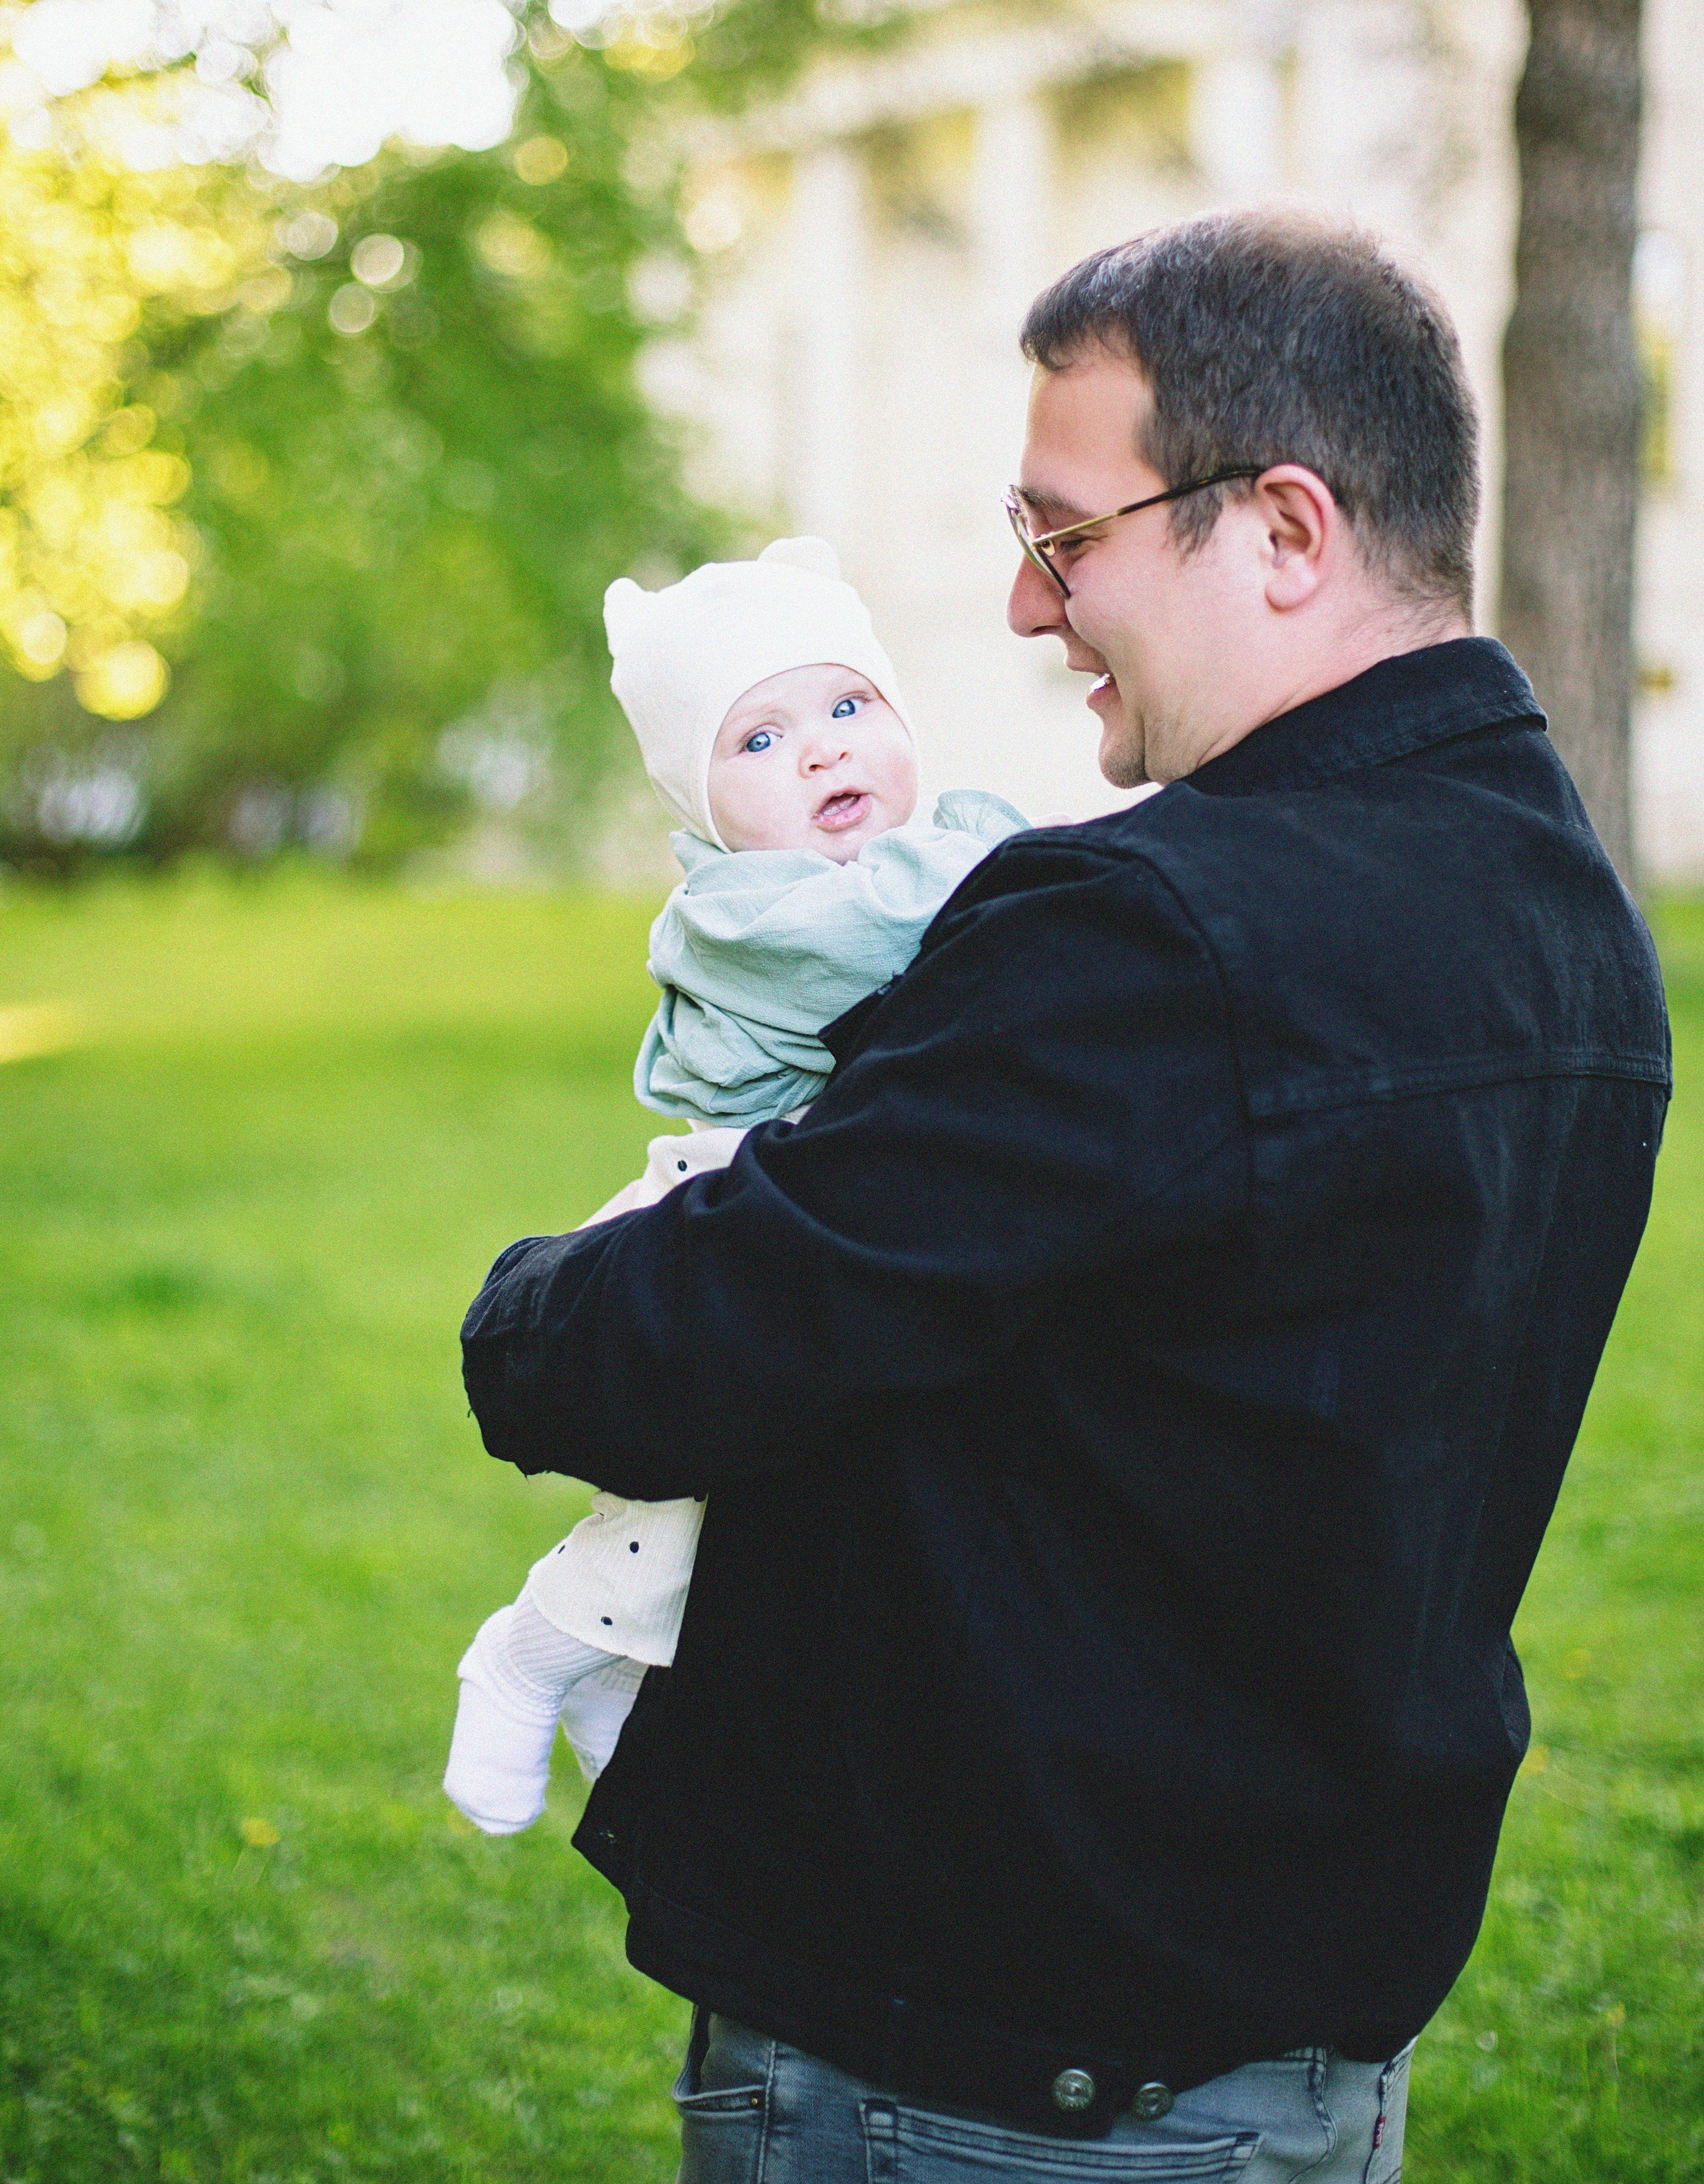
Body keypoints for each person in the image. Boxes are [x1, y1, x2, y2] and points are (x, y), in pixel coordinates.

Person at [460, 213, 1671, 2182]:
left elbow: (658, 1356)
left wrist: (533, 1298)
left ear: (1283, 531)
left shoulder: (1148, 931)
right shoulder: (1568, 926)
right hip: (1305, 2052)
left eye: (1065, 539)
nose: (1028, 615)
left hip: (981, 2071)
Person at [443, 534, 1026, 1831]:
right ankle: (533, 1647)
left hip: (809, 1191)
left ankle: (605, 1680)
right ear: (697, 806)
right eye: (755, 742)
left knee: (739, 1500)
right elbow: (901, 925)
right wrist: (1047, 870)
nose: (821, 748)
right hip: (727, 1190)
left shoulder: (912, 858)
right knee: (685, 1481)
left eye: (847, 706)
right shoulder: (753, 910)